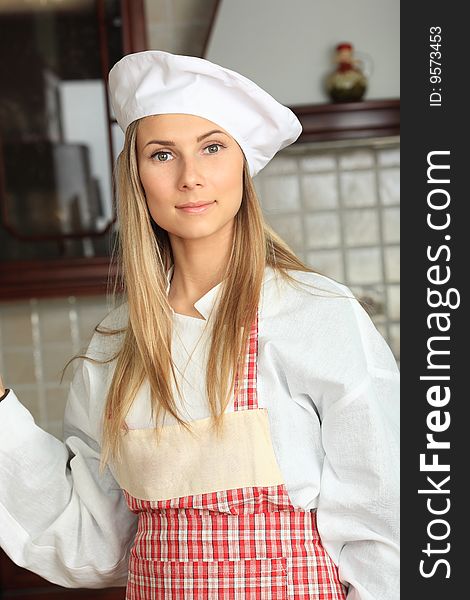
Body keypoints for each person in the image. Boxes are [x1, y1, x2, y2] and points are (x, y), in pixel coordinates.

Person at [0, 50, 399, 599]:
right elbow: (93, 547)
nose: (190, 177)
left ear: (242, 164)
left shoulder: (316, 315)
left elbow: (388, 528)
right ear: (136, 177)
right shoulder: (116, 348)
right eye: (162, 155)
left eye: (212, 147)